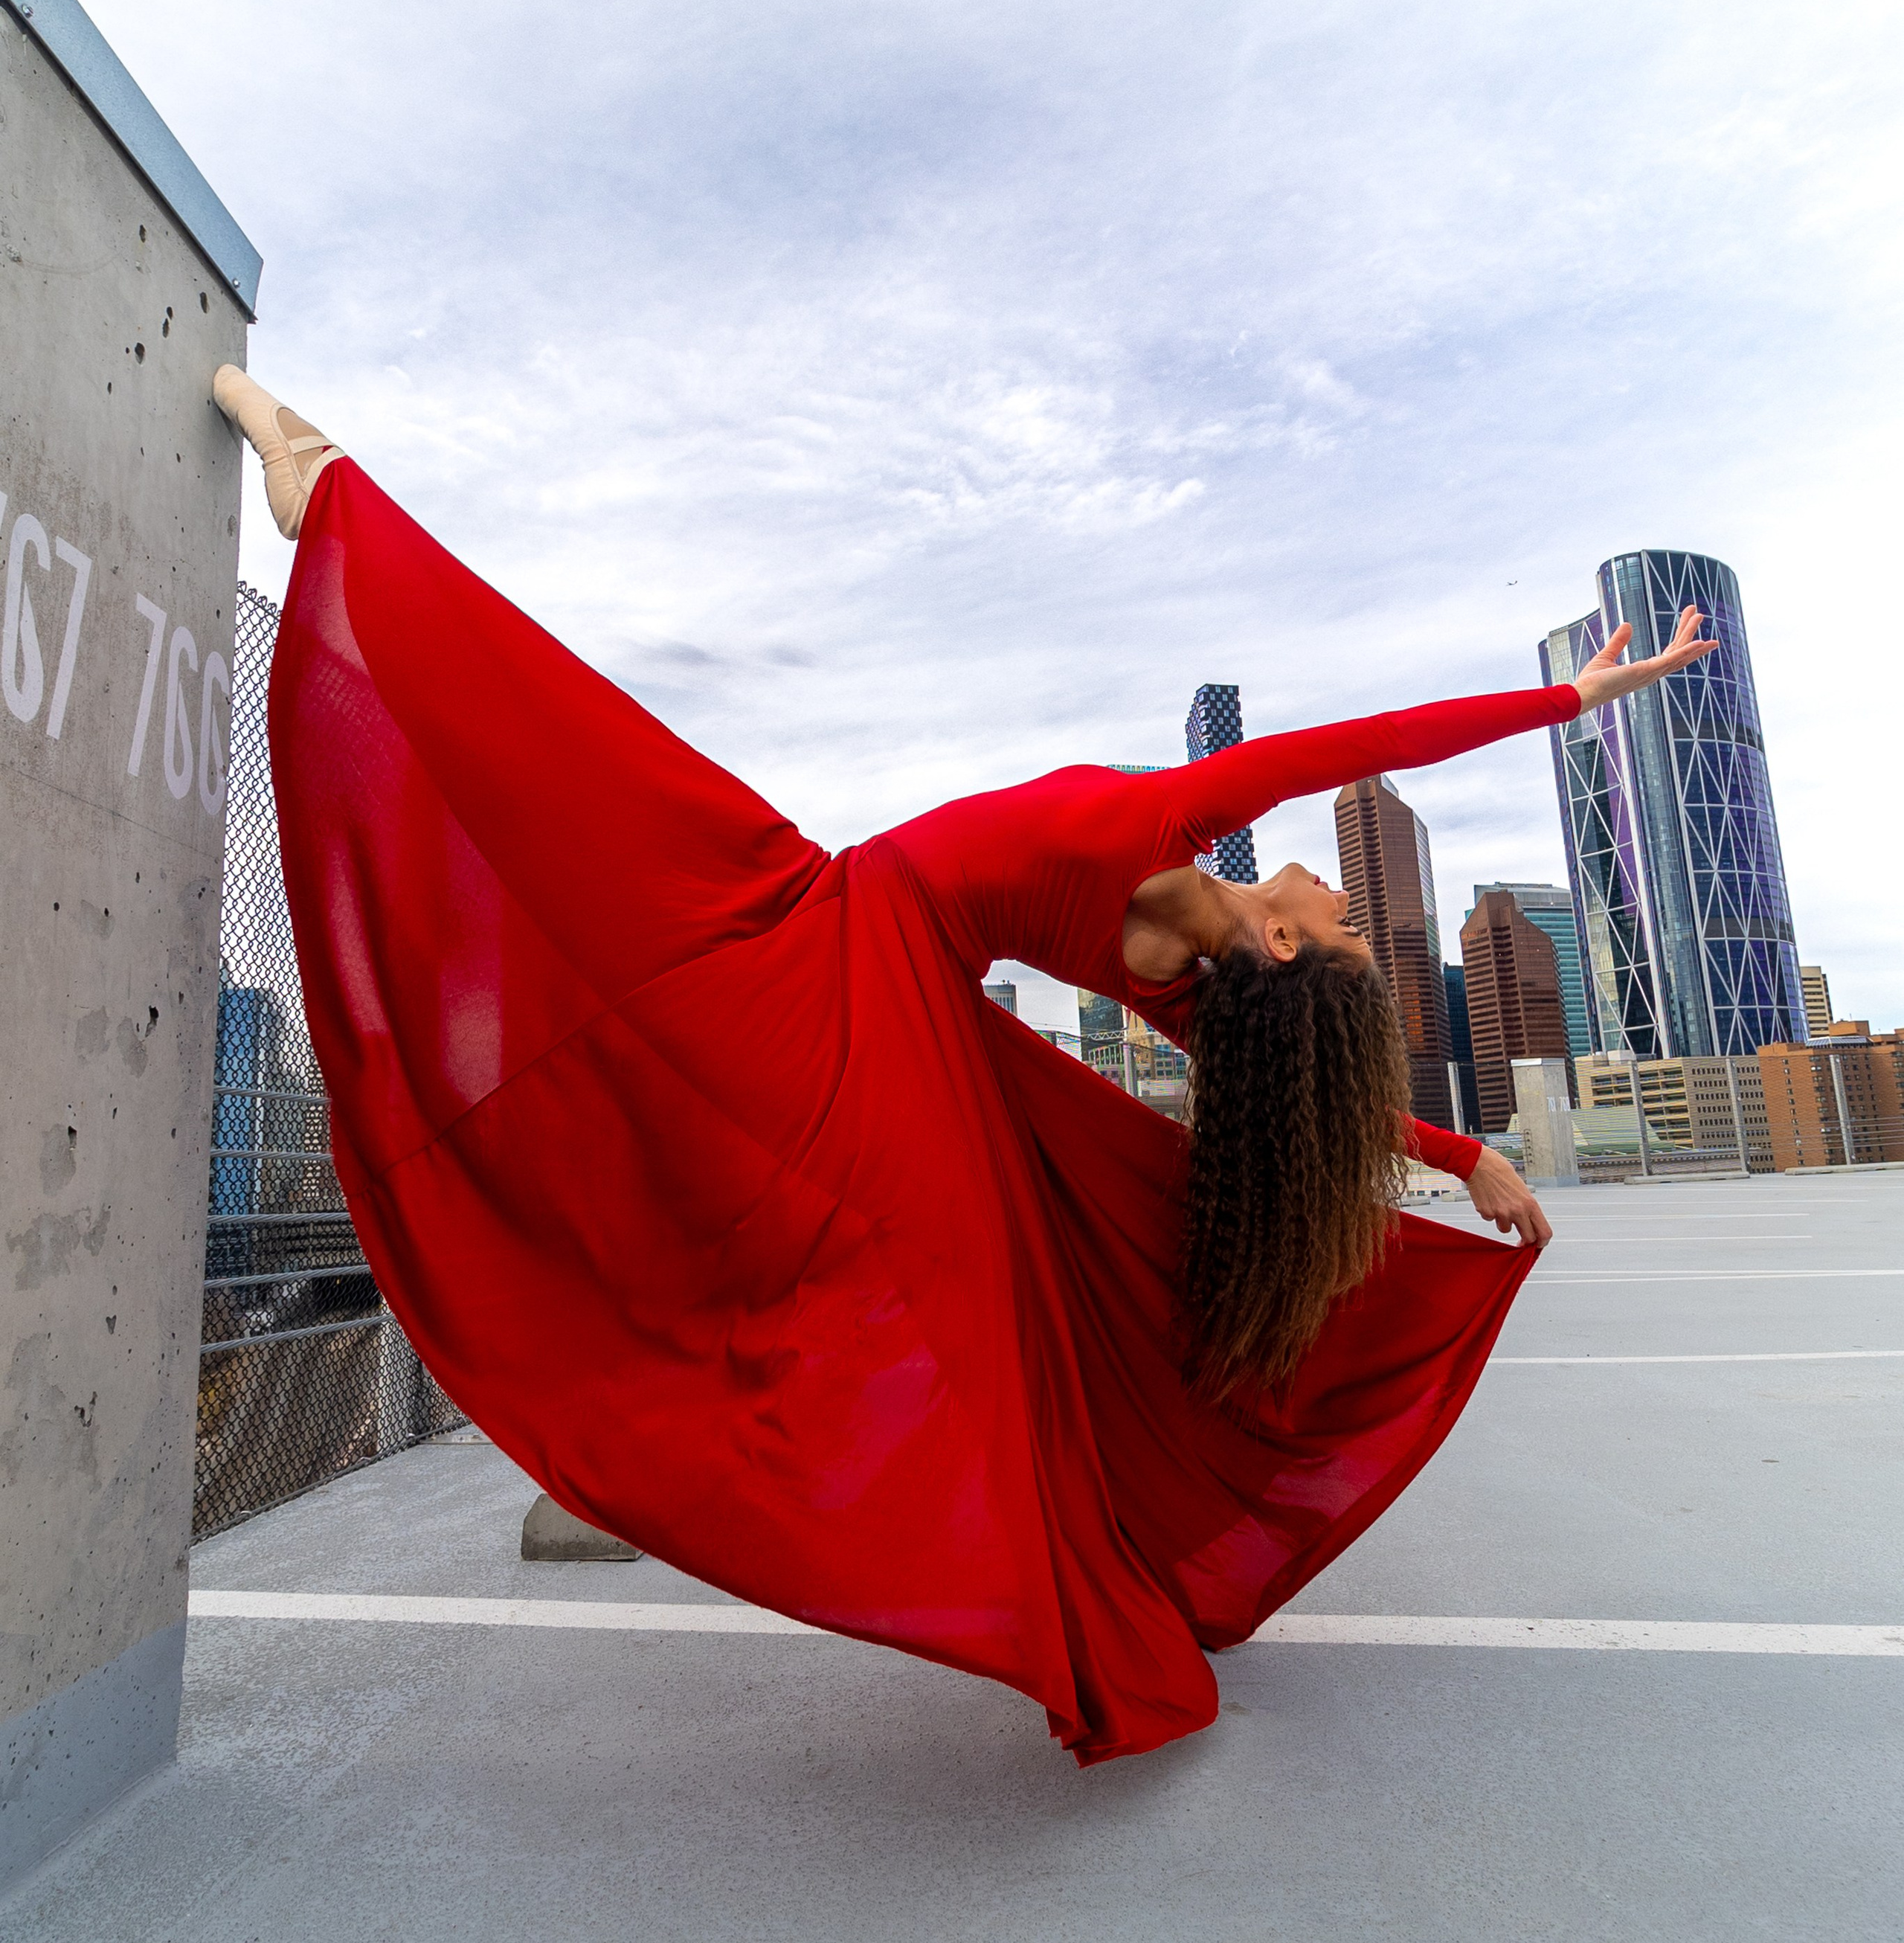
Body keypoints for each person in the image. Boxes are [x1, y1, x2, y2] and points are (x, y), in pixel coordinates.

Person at [212, 366, 1716, 1764]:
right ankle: (334, 502)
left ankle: (337, 503)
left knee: (582, 790)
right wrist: (1471, 1144)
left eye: (1341, 931)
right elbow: (1369, 805)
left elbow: (1363, 750)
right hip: (843, 953)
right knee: (589, 811)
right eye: (1352, 924)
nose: (1340, 901)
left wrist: (1569, 715)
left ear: (1276, 944)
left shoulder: (1173, 884)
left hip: (860, 979)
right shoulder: (1182, 950)